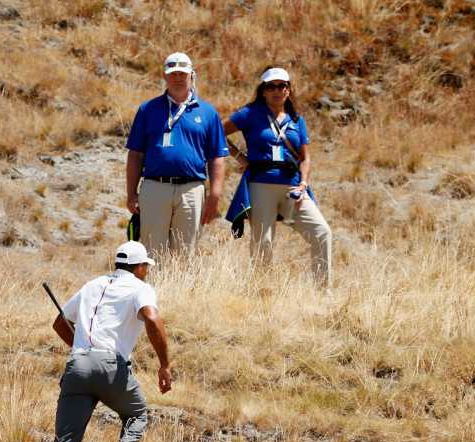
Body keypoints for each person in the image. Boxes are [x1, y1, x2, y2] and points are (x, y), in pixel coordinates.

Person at [24, 241, 172, 442]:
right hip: (111, 366)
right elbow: (153, 319)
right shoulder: (140, 288)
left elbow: (59, 323)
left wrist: (83, 354)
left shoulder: (92, 284)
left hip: (77, 365)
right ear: (139, 267)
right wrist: (164, 366)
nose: (147, 271)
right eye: (146, 266)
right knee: (136, 413)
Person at [223, 67, 333, 287]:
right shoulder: (249, 114)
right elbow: (217, 131)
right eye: (271, 86)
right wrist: (239, 157)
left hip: (293, 187)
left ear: (288, 90)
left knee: (321, 232)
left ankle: (323, 292)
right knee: (263, 242)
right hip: (261, 184)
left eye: (282, 85)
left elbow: (305, 158)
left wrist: (303, 183)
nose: (276, 90)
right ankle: (262, 293)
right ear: (263, 91)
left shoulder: (296, 119)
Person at [125, 52, 229, 260]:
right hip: (155, 187)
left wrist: (214, 195)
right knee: (152, 251)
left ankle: (178, 291)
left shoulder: (208, 113)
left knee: (185, 250)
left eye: (183, 73)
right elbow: (135, 154)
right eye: (173, 74)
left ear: (192, 75)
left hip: (192, 189)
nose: (178, 78)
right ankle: (154, 292)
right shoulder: (148, 110)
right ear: (165, 76)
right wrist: (131, 193)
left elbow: (216, 157)